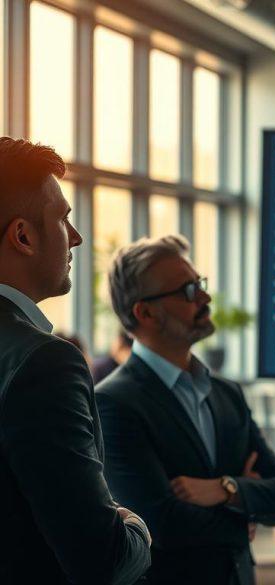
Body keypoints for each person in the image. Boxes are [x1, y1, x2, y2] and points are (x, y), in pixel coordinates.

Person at [96, 234, 275, 585]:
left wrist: (226, 489)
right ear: (145, 312)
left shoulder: (226, 393)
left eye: (199, 284)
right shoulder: (113, 402)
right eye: (188, 291)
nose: (205, 298)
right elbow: (161, 524)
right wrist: (245, 512)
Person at [0, 137, 151, 584]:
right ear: (23, 236)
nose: (77, 237)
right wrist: (135, 528)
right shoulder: (44, 363)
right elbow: (103, 559)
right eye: (63, 218)